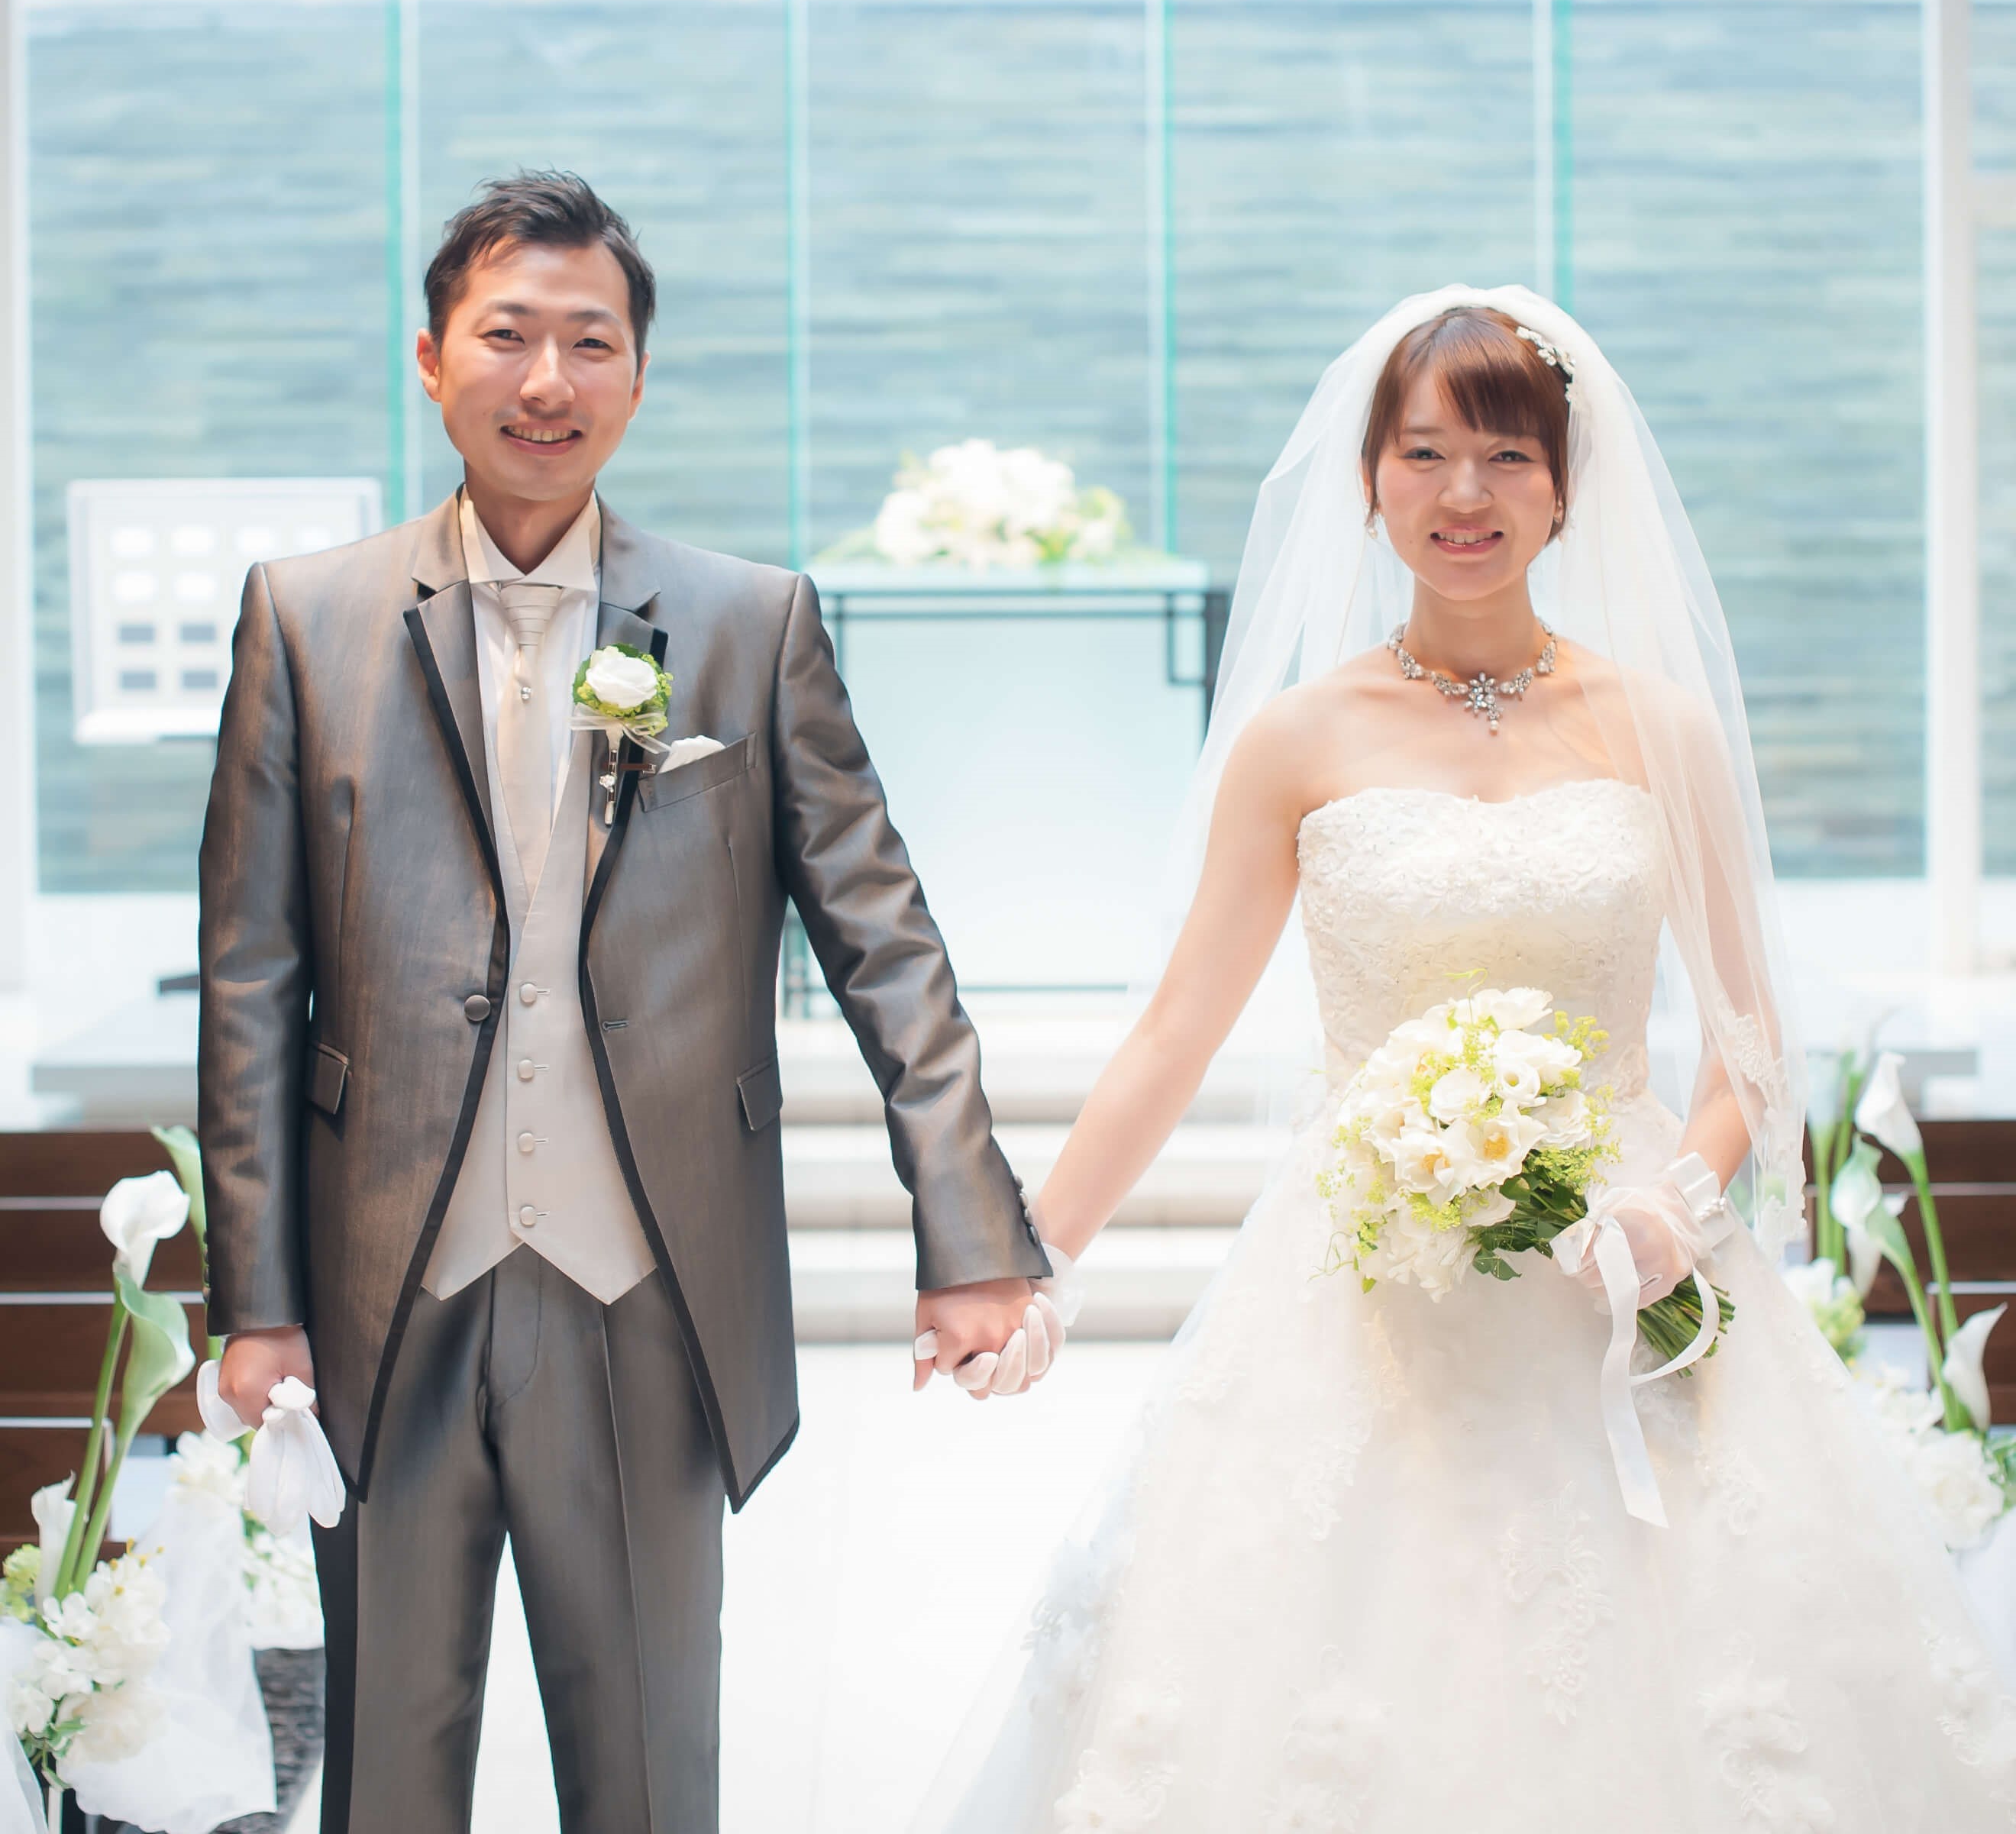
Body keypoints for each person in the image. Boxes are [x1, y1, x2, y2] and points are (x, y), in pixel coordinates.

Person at [917, 289, 2016, 1831]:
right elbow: (1176, 1029)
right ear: (1369, 482)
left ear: (1565, 487)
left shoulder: (1662, 730)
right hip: (1370, 1283)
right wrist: (1024, 1261)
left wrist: (1674, 1206)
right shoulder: (1298, 741)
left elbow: (1749, 1048)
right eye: (1425, 454)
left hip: (1619, 1276)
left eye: (1506, 455)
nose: (1464, 494)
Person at [197, 170, 1060, 1834]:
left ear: (639, 378)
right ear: (432, 360)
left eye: (591, 342)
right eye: (507, 336)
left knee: (654, 1774)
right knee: (384, 1775)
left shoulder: (745, 623)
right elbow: (251, 980)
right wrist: (260, 1298)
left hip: (645, 1279)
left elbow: (884, 938)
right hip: (386, 1287)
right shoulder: (305, 619)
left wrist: (971, 1231)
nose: (549, 380)